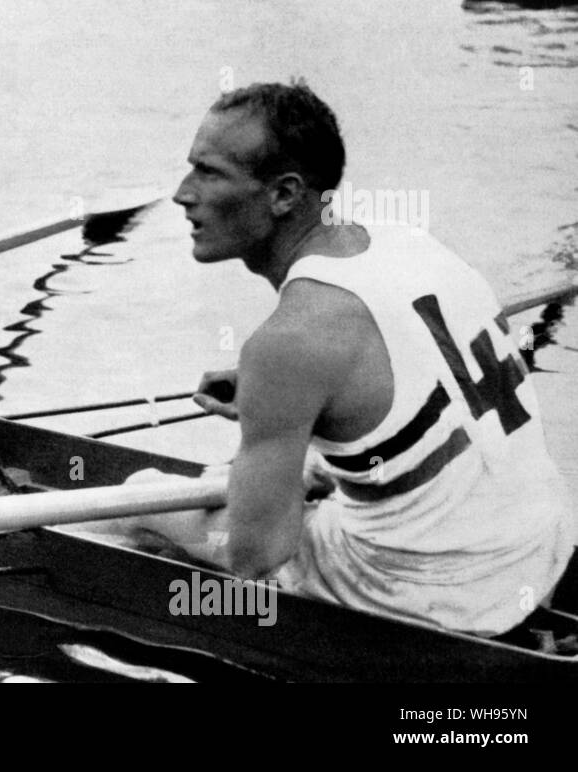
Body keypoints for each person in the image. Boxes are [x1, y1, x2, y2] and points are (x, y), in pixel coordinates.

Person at [169, 80, 574, 636]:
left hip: (432, 593)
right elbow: (444, 372)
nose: (182, 194)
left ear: (285, 194)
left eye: (208, 173)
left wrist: (273, 417)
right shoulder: (409, 241)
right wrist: (288, 406)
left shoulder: (287, 341)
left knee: (139, 499)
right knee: (292, 478)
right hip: (542, 544)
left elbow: (255, 557)